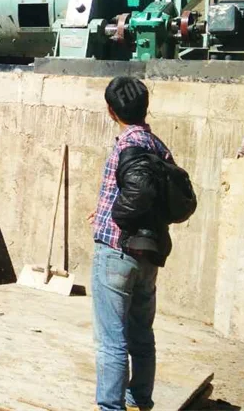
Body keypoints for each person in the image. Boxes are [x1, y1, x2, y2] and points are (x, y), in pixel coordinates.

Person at [89, 76, 175, 411]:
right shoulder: (159, 147)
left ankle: (111, 407)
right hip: (148, 253)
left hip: (115, 251)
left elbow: (130, 199)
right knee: (141, 334)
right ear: (145, 108)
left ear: (111, 111)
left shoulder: (125, 145)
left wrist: (112, 217)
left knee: (112, 340)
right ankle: (139, 399)